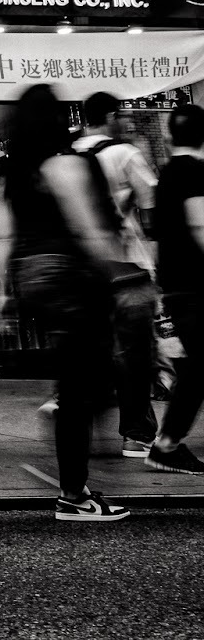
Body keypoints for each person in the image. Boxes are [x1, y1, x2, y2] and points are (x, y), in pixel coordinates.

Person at [0, 84, 130, 522]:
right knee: (86, 382)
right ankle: (73, 494)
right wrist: (117, 270)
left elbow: (2, 238)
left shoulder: (9, 174)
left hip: (33, 277)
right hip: (69, 273)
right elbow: (86, 227)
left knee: (78, 378)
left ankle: (75, 482)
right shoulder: (64, 163)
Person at [72, 91, 160, 459]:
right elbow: (153, 209)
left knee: (93, 346)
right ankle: (137, 434)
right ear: (109, 115)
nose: (124, 120)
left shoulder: (68, 155)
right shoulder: (125, 153)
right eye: (121, 114)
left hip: (82, 268)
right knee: (136, 351)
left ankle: (72, 409)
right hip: (127, 265)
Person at [144, 104, 204, 475]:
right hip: (198, 285)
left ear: (168, 136)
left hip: (177, 285)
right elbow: (200, 226)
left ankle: (167, 444)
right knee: (199, 367)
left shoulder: (164, 175)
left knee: (198, 365)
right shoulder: (196, 173)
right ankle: (166, 445)